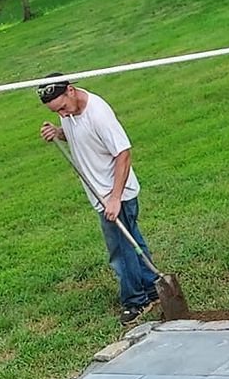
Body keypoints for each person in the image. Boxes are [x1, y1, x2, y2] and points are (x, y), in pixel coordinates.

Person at [38, 75, 159, 320]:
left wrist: (114, 198)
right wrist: (59, 133)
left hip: (115, 194)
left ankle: (135, 302)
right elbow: (81, 136)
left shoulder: (98, 114)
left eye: (62, 108)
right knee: (131, 239)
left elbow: (123, 153)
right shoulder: (70, 112)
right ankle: (153, 286)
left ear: (71, 90)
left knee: (121, 251)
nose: (61, 113)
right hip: (104, 194)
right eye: (55, 112)